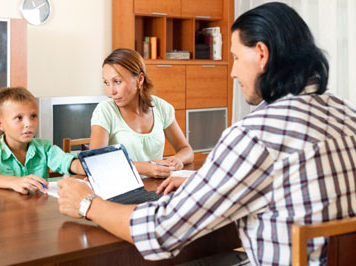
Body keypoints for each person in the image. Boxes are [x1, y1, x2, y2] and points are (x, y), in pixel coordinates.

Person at [57, 2, 356, 265]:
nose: (233, 72)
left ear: (262, 54)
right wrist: (204, 180)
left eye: (237, 58)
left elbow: (161, 232)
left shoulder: (254, 135)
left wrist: (87, 203)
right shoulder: (348, 117)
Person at [90, 48, 193, 178]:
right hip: (122, 188)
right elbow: (95, 162)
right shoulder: (105, 111)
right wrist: (143, 168)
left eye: (117, 81)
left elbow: (186, 149)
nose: (111, 91)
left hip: (157, 185)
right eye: (106, 82)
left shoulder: (161, 107)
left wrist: (178, 159)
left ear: (139, 79)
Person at [0, 87, 85, 195]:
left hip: (34, 211)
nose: (28, 124)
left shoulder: (44, 148)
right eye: (19, 118)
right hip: (3, 214)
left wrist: (85, 168)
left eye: (33, 116)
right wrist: (14, 182)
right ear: (0, 124)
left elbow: (67, 161)